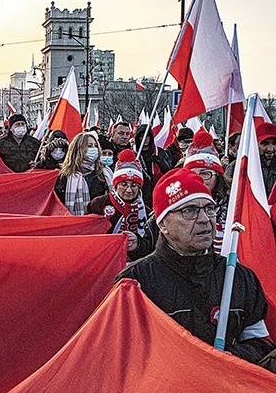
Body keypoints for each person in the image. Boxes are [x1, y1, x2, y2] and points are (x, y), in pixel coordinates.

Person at [116, 168, 275, 365]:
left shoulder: (239, 277)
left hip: (225, 390)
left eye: (209, 208)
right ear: (163, 224)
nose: (204, 219)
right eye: (189, 211)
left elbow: (260, 342)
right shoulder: (135, 282)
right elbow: (121, 354)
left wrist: (231, 358)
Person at [87, 149, 150, 259]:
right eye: (124, 184)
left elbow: (150, 246)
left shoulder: (147, 213)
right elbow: (87, 235)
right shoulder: (98, 204)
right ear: (116, 185)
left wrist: (137, 244)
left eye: (134, 185)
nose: (129, 190)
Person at [184, 130, 229, 254]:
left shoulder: (234, 203)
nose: (199, 179)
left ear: (217, 177)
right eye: (193, 173)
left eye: (205, 174)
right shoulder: (176, 202)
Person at [55, 132, 113, 215]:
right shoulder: (65, 176)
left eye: (95, 146)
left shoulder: (104, 173)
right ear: (78, 149)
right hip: (75, 223)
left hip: (100, 222)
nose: (94, 149)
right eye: (89, 146)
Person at [226, 122, 276, 196]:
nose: (270, 149)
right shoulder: (239, 166)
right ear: (255, 144)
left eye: (274, 143)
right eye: (264, 144)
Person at [134, 124, 172, 208]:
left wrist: (160, 161)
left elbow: (168, 171)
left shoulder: (160, 152)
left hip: (158, 188)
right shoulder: (134, 154)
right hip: (140, 191)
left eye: (147, 136)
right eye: (141, 136)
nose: (145, 139)